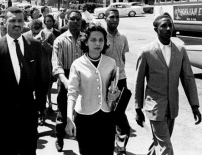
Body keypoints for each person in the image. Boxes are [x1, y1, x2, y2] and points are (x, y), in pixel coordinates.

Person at [0, 7, 44, 155]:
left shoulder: (35, 45)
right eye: (12, 20)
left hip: (28, 117)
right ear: (4, 23)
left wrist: (40, 106)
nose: (17, 24)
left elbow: (40, 78)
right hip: (2, 116)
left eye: (20, 20)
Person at [135, 15, 201, 155]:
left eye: (170, 25)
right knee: (166, 149)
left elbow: (188, 78)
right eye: (164, 26)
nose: (168, 29)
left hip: (172, 108)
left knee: (160, 143)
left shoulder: (180, 50)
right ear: (155, 29)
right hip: (155, 109)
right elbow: (139, 82)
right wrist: (137, 108)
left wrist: (194, 105)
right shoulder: (146, 52)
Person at [65, 24, 119, 155]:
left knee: (107, 152)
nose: (98, 43)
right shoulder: (77, 64)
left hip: (106, 116)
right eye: (93, 40)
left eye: (101, 40)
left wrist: (115, 95)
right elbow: (72, 93)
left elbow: (115, 88)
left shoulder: (111, 62)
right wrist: (69, 117)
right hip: (85, 117)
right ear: (86, 42)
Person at [52, 10, 84, 152]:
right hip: (65, 77)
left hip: (84, 79)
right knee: (63, 113)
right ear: (67, 20)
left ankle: (82, 143)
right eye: (72, 19)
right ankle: (59, 138)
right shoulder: (60, 40)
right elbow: (56, 64)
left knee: (82, 113)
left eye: (78, 19)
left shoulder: (86, 39)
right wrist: (65, 81)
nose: (75, 21)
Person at [104, 8, 130, 155]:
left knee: (120, 114)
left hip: (121, 79)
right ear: (105, 18)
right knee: (107, 113)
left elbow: (123, 58)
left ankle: (121, 145)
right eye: (112, 17)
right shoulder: (101, 37)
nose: (115, 20)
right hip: (105, 81)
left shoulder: (123, 37)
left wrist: (120, 72)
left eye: (117, 17)